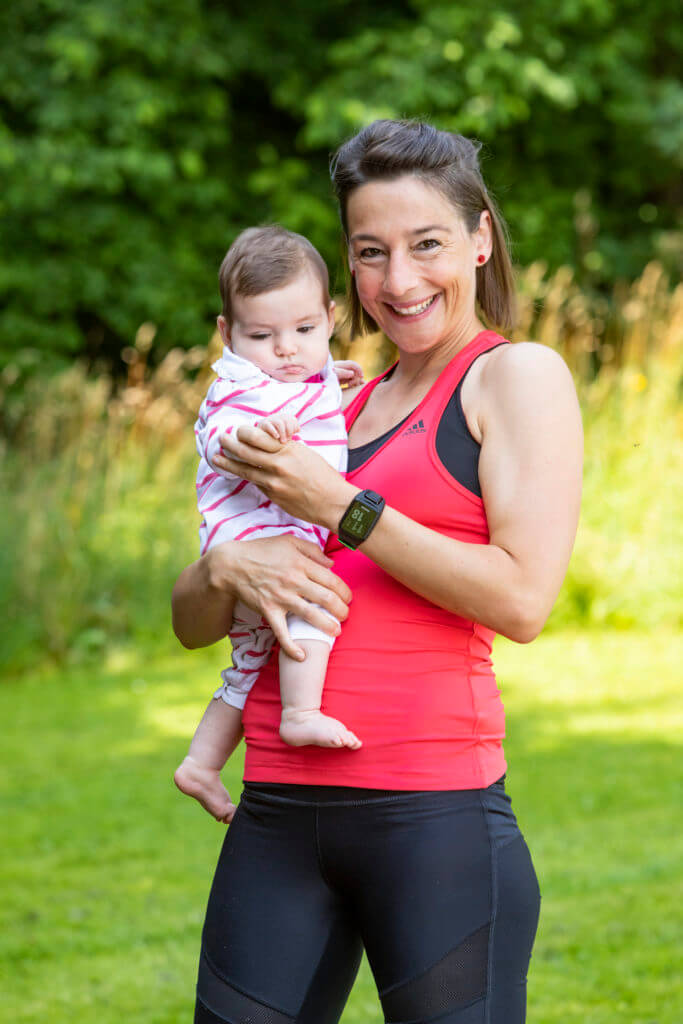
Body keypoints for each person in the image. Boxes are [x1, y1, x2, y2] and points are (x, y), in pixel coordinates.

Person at [172, 119, 583, 1024]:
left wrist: (340, 506)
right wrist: (228, 564)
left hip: (430, 819)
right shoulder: (324, 399)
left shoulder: (512, 377)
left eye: (426, 244)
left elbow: (521, 600)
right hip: (275, 813)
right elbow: (193, 619)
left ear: (479, 239)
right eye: (370, 252)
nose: (398, 281)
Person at [174, 225, 365, 825]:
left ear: (330, 319)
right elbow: (220, 433)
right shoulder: (239, 389)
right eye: (262, 335)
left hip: (272, 542)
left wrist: (330, 381)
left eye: (304, 331)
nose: (286, 349)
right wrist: (253, 440)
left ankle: (200, 764)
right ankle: (300, 713)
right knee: (314, 612)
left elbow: (304, 393)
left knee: (249, 662)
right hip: (255, 545)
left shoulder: (304, 378)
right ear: (228, 334)